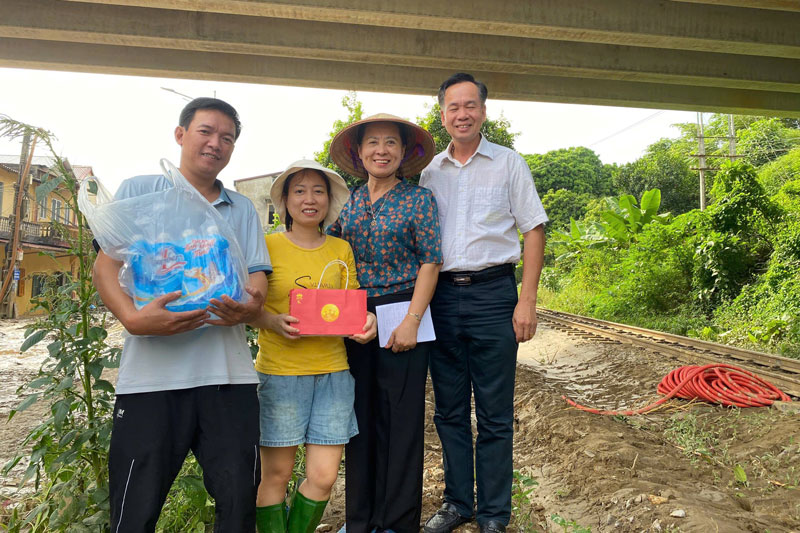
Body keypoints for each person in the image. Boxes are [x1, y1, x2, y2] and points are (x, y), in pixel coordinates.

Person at [92, 97, 271, 532]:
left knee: (237, 503)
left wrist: (248, 306)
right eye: (206, 132)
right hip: (151, 381)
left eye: (226, 137)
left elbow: (257, 279)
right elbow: (105, 267)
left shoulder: (241, 208)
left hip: (228, 380)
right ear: (180, 135)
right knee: (134, 509)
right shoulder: (140, 191)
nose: (216, 143)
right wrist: (133, 320)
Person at [419, 73, 548, 533]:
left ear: (484, 112)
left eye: (470, 105)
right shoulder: (429, 172)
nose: (462, 114)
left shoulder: (509, 163)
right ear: (443, 115)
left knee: (494, 413)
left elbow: (533, 228)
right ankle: (458, 504)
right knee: (449, 410)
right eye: (453, 107)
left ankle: (494, 513)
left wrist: (526, 299)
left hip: (495, 294)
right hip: (442, 297)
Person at [328, 113, 441, 533]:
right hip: (357, 315)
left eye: (390, 143)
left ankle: (397, 520)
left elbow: (431, 260)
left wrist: (412, 320)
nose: (381, 150)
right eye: (372, 143)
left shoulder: (418, 199)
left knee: (401, 418)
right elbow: (332, 253)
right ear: (359, 154)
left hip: (404, 308)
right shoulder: (350, 202)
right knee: (360, 417)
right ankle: (360, 519)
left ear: (404, 152)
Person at [249, 159, 377, 533]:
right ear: (285, 200)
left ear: (329, 200)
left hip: (334, 376)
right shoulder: (266, 246)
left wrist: (366, 321)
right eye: (300, 191)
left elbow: (353, 305)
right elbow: (246, 307)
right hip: (280, 375)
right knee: (276, 473)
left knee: (322, 477)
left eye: (318, 191)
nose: (310, 199)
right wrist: (271, 321)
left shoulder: (341, 249)